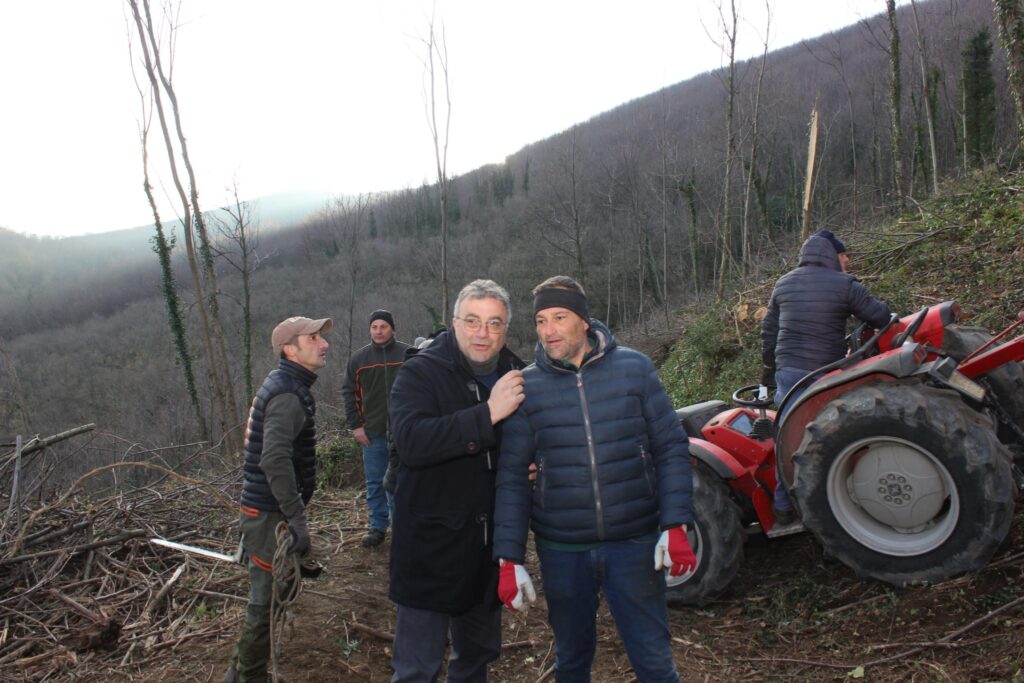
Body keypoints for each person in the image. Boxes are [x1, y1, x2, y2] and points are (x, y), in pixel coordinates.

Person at [493, 275, 694, 683]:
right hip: (563, 549)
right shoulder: (526, 387)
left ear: (584, 321)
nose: (548, 330)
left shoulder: (634, 369)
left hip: (634, 543)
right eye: (540, 321)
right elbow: (513, 477)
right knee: (571, 661)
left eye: (559, 317)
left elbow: (670, 447)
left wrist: (676, 524)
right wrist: (508, 558)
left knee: (654, 662)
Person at [387, 280, 526, 683]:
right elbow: (412, 442)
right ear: (454, 324)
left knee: (477, 657)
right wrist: (488, 413)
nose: (483, 333)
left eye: (494, 323)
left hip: (486, 551)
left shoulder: (515, 375)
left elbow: (522, 447)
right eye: (472, 321)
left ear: (505, 329)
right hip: (429, 547)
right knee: (417, 667)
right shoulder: (420, 372)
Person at [224, 316, 332, 683]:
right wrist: (296, 517)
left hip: (270, 511)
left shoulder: (288, 386)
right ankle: (249, 676)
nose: (324, 344)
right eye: (313, 338)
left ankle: (241, 673)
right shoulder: (287, 393)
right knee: (265, 599)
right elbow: (273, 459)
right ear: (290, 349)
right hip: (269, 515)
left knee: (275, 591)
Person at [760, 230, 891, 523]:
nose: (847, 261)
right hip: (825, 375)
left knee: (788, 438)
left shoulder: (783, 284)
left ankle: (783, 507)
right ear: (833, 256)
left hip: (789, 373)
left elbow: (768, 334)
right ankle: (842, 509)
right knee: (835, 438)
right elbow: (881, 317)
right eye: (844, 256)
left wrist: (769, 373)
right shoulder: (844, 285)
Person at [342, 309, 411, 547]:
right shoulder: (359, 360)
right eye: (374, 327)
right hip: (372, 432)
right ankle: (378, 527)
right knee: (374, 481)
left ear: (392, 328)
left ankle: (402, 526)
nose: (379, 331)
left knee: (401, 481)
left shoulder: (408, 354)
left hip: (404, 432)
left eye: (383, 326)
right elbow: (349, 393)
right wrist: (356, 426)